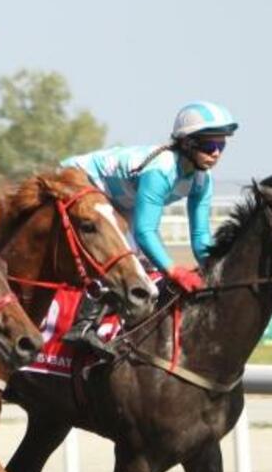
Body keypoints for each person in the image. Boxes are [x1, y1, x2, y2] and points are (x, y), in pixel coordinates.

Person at [59, 100, 239, 352]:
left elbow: (200, 236)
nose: (217, 153)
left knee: (149, 266)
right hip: (80, 179)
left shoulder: (202, 179)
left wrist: (214, 271)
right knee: (127, 258)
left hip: (119, 199)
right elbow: (145, 232)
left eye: (221, 145)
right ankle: (82, 327)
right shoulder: (161, 169)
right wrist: (175, 271)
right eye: (210, 145)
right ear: (187, 143)